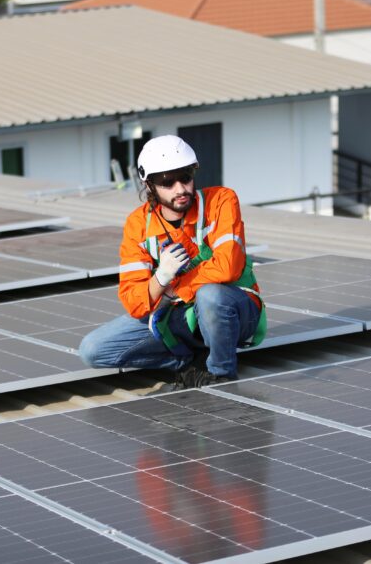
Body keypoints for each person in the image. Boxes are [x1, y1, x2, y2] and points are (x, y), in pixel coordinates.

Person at [79, 135, 265, 389]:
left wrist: (175, 289)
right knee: (93, 349)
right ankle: (188, 364)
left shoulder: (220, 201)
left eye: (185, 177)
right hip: (176, 318)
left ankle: (220, 374)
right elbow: (134, 303)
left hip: (233, 311)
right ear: (150, 185)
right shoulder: (138, 225)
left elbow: (227, 267)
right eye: (168, 181)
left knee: (210, 295)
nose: (180, 189)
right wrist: (159, 278)